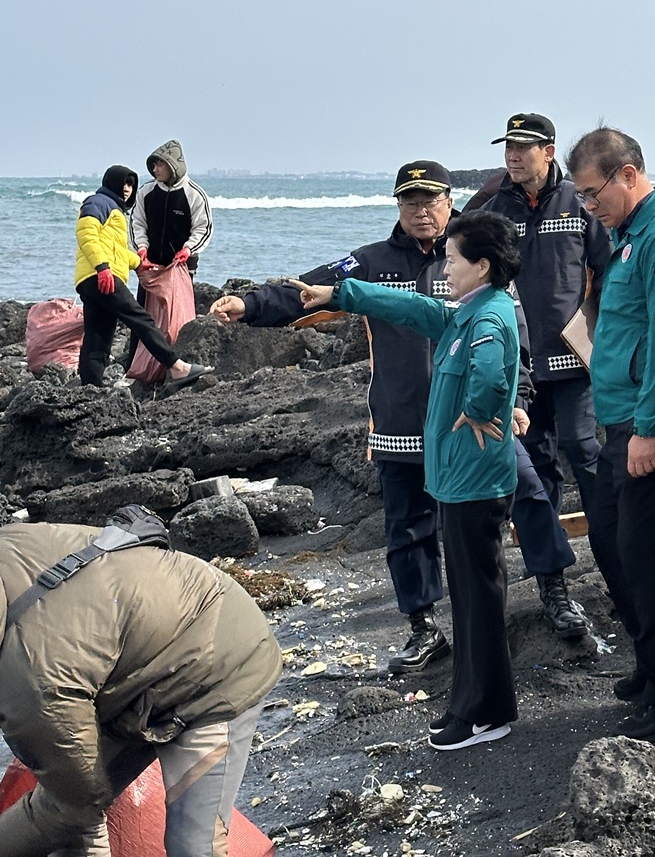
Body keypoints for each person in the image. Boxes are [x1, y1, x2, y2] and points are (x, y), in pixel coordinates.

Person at [209, 161, 586, 664]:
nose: (420, 211)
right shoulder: (370, 261)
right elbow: (309, 288)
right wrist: (249, 304)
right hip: (401, 425)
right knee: (409, 529)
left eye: (430, 201)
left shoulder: (474, 258)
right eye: (409, 202)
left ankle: (554, 591)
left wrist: (518, 400)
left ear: (450, 202)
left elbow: (510, 335)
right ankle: (423, 627)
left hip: (477, 424)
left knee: (532, 494)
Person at [292, 210, 523, 751]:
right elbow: (416, 307)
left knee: (478, 603)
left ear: (482, 265)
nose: (445, 265)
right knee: (469, 600)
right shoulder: (468, 310)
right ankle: (474, 706)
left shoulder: (488, 317)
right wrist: (341, 294)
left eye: (454, 258)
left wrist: (482, 407)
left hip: (475, 483)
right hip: (462, 481)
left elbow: (491, 372)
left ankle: (486, 713)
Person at [0, 515, 282, 856]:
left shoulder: (32, 681)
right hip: (130, 671)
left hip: (218, 662)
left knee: (193, 846)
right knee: (62, 819)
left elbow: (77, 807)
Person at [566, 127, 655, 739]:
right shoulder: (627, 236)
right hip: (618, 417)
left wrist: (648, 430)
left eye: (593, 193)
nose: (588, 208)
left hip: (643, 426)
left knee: (646, 560)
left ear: (627, 174)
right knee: (623, 550)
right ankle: (654, 670)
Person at [482, 113, 611, 521]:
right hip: (519, 363)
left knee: (582, 446)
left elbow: (610, 269)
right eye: (509, 148)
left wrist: (603, 330)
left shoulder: (580, 202)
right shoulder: (492, 210)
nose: (513, 156)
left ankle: (609, 539)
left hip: (574, 358)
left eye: (523, 148)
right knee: (534, 462)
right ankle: (548, 570)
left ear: (548, 152)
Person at [75, 166, 209, 389]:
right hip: (102, 277)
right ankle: (177, 367)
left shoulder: (115, 210)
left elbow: (116, 251)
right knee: (141, 319)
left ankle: (91, 389)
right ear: (111, 182)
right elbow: (85, 234)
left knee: (98, 338)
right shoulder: (98, 202)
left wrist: (141, 263)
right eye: (124, 183)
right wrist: (103, 267)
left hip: (91, 279)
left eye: (131, 185)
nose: (127, 189)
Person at [132, 139, 213, 276]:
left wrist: (188, 249)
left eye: (159, 165)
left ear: (173, 166)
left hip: (182, 265)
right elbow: (137, 222)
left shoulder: (195, 194)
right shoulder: (145, 192)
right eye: (153, 165)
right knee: (143, 299)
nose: (155, 170)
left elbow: (202, 228)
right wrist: (141, 246)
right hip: (151, 265)